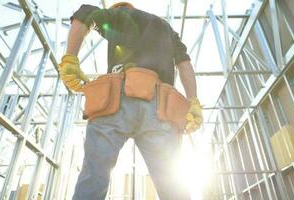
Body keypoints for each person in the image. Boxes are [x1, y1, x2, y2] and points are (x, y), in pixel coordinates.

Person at [58, 2, 203, 199]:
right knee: (173, 185)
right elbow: (185, 65)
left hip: (116, 101)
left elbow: (85, 13)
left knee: (94, 178)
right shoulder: (167, 29)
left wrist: (70, 59)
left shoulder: (121, 15)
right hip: (160, 107)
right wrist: (193, 101)